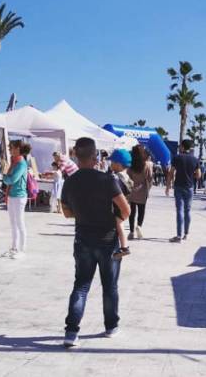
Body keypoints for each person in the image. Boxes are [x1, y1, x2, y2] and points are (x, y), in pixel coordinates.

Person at [61, 137, 131, 348]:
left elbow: (66, 213)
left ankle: (71, 332)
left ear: (76, 155)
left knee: (81, 286)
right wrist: (113, 219)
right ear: (94, 156)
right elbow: (126, 210)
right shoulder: (107, 180)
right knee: (109, 286)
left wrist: (84, 214)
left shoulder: (70, 181)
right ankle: (111, 326)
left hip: (83, 238)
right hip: (108, 239)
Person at [166, 139, 201, 243]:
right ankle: (186, 234)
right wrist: (191, 175)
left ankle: (179, 235)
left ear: (182, 147)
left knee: (179, 211)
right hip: (189, 187)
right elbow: (199, 175)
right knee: (187, 210)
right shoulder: (195, 159)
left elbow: (171, 172)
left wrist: (168, 186)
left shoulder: (177, 158)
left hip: (178, 186)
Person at [2, 140, 29, 260]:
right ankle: (14, 248)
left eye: (11, 148)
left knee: (19, 223)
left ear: (18, 149)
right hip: (12, 196)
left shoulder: (21, 163)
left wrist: (4, 174)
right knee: (13, 223)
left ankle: (22, 250)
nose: (10, 150)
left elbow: (12, 179)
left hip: (19, 197)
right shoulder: (14, 162)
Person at [109, 149, 133, 259]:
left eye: (112, 162)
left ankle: (124, 247)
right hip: (125, 205)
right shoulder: (126, 176)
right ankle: (123, 246)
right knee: (120, 224)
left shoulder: (116, 178)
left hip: (118, 207)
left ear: (118, 164)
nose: (110, 164)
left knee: (119, 224)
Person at [127, 145, 153, 240]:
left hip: (132, 191)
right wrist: (148, 189)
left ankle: (131, 232)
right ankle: (139, 226)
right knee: (141, 211)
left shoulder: (131, 165)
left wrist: (131, 188)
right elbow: (150, 178)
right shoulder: (147, 165)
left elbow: (128, 178)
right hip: (143, 191)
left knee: (132, 212)